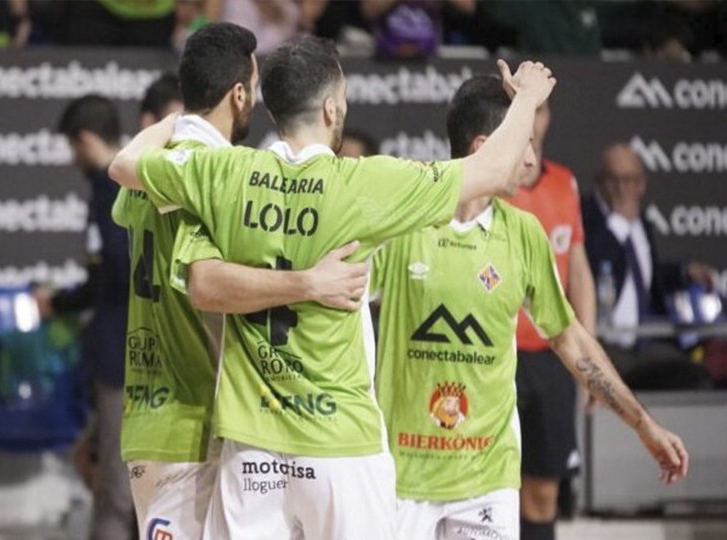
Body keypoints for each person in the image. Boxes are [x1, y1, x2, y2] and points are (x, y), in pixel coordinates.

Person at [109, 35, 556, 537]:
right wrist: (526, 100)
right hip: (337, 441)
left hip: (252, 444)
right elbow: (493, 170)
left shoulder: (226, 172)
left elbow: (124, 168)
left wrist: (173, 124)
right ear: (330, 107)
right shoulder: (360, 184)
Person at [370, 75, 688, 540]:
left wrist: (643, 425)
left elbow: (569, 335)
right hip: (402, 475)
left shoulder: (523, 234)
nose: (533, 160)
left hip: (487, 478)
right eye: (525, 144)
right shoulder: (406, 218)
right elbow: (338, 291)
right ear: (485, 147)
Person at [113, 23, 369, 540]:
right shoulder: (218, 174)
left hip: (145, 415)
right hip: (196, 419)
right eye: (252, 86)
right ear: (237, 94)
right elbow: (207, 283)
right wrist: (310, 283)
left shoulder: (149, 168)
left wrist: (169, 124)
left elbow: (124, 170)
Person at [35, 95, 133, 540]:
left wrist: (61, 303)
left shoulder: (108, 186)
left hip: (120, 355)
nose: (74, 158)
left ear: (86, 140)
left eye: (74, 147)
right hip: (139, 348)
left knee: (114, 485)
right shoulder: (138, 179)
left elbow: (115, 268)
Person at [504, 100, 595, 539]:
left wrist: (589, 362)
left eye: (540, 110)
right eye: (524, 109)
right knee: (499, 488)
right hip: (498, 354)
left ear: (548, 117)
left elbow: (577, 270)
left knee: (543, 491)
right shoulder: (492, 183)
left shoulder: (565, 183)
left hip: (551, 357)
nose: (533, 120)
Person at [582, 143, 712, 390]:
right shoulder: (587, 216)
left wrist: (683, 273)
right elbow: (592, 269)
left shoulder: (642, 222)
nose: (622, 189)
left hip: (645, 340)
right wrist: (618, 223)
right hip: (606, 343)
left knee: (694, 377)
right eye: (614, 180)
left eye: (629, 180)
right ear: (600, 181)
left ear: (642, 184)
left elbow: (642, 276)